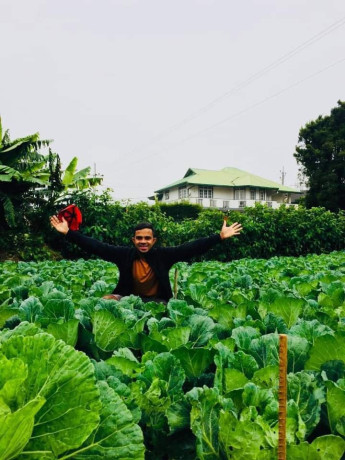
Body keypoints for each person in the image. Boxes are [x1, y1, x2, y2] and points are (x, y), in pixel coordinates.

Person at [50, 216, 242, 303]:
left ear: (153, 240)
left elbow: (190, 248)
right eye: (139, 238)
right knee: (105, 301)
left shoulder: (163, 256)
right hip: (128, 299)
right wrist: (69, 233)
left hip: (157, 301)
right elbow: (96, 246)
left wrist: (219, 237)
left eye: (147, 238)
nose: (143, 242)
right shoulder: (124, 255)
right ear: (134, 240)